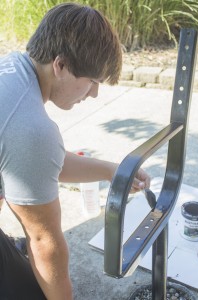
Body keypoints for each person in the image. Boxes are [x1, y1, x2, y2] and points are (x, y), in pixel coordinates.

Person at [0, 2, 150, 299]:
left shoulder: (14, 67)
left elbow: (40, 163)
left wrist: (111, 171)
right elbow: (43, 240)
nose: (94, 93)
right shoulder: (31, 128)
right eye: (93, 81)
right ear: (61, 65)